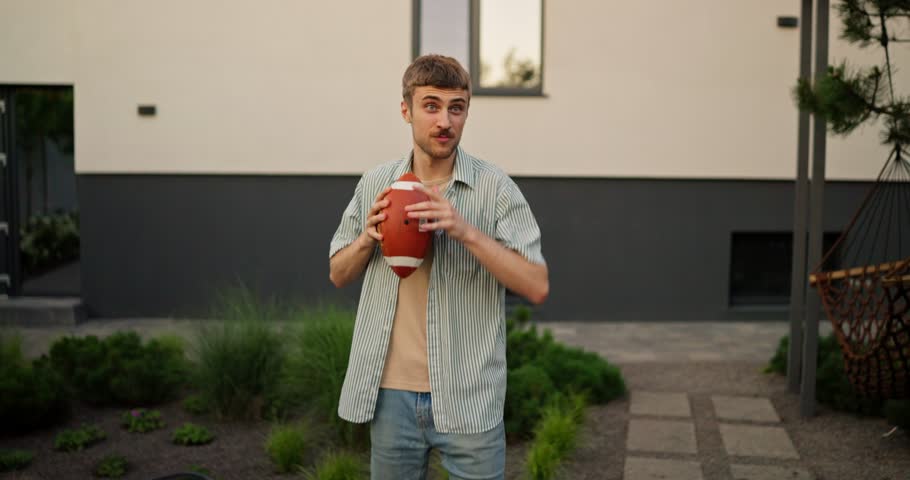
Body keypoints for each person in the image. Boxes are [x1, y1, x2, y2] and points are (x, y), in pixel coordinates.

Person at [328, 54, 548, 480]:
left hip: (468, 395)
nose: (445, 120)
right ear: (406, 110)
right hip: (390, 395)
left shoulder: (494, 187)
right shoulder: (377, 184)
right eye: (431, 106)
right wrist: (367, 239)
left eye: (456, 108)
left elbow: (536, 284)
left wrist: (465, 231)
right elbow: (338, 273)